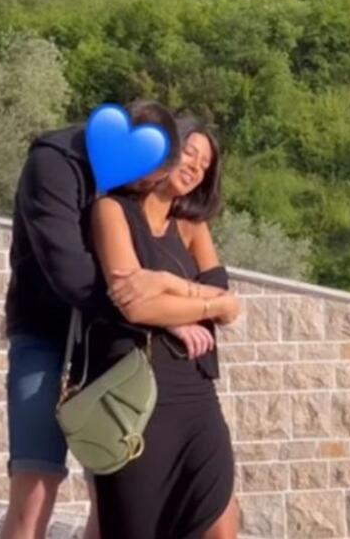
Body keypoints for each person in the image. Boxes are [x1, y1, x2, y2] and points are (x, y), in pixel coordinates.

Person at [1, 101, 183, 539]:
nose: (147, 190)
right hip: (44, 335)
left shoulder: (132, 183)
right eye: (148, 180)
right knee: (35, 490)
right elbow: (71, 273)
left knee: (113, 493)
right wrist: (153, 314)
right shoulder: (53, 164)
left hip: (107, 343)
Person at [88, 117, 241, 539]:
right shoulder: (112, 210)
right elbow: (134, 303)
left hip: (196, 393)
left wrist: (164, 283)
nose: (196, 167)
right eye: (190, 153)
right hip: (134, 394)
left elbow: (227, 306)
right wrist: (191, 308)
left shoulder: (192, 227)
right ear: (165, 150)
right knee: (134, 527)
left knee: (219, 525)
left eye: (205, 164)